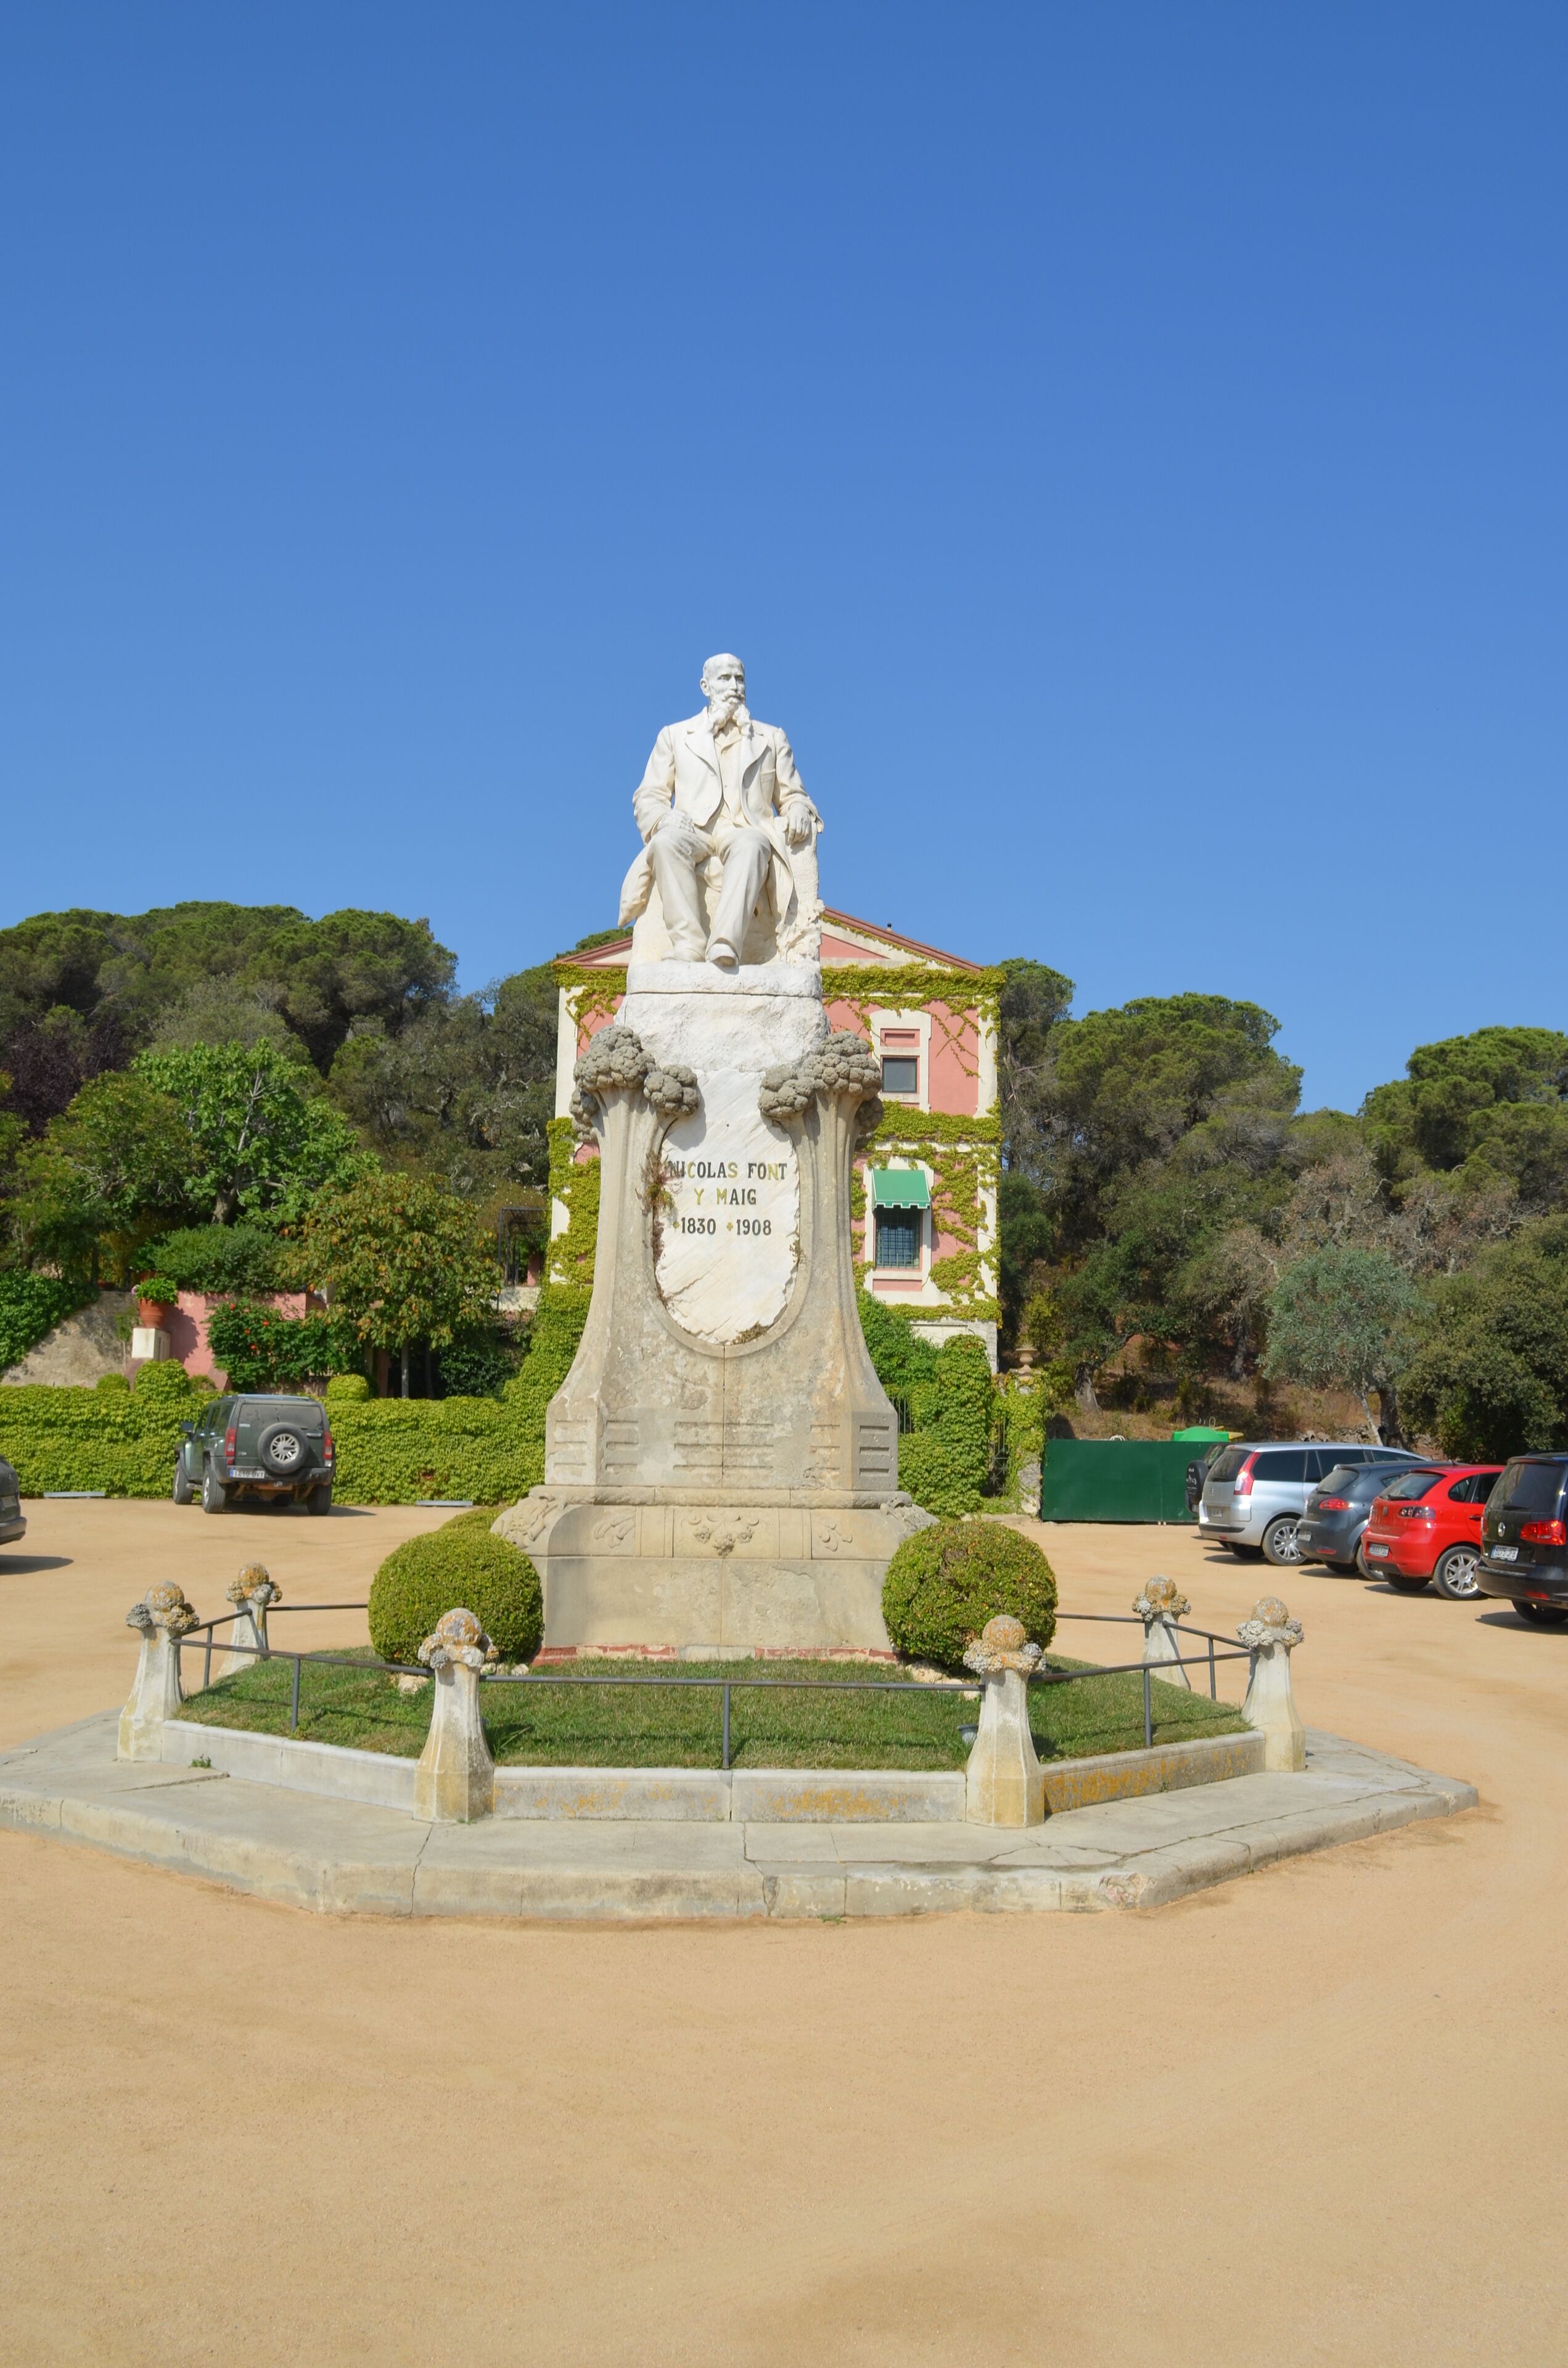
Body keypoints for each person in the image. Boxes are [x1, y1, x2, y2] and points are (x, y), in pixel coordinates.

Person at [619, 654, 819, 968]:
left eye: (739, 679)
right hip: (692, 830)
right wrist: (663, 817)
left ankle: (725, 944)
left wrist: (797, 809)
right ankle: (688, 945)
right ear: (705, 686)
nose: (734, 686)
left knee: (753, 844)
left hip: (743, 830)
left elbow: (795, 794)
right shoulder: (674, 736)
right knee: (664, 843)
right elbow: (648, 796)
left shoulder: (772, 737)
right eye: (724, 679)